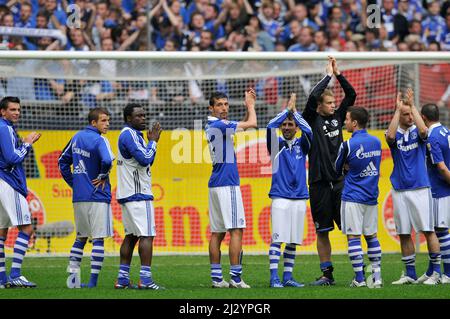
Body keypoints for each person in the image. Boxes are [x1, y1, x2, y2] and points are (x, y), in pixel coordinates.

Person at [302, 56, 357, 286]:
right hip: (318, 183)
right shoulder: (310, 119)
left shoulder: (337, 117)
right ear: (319, 106)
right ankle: (327, 274)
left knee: (351, 229)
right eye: (329, 102)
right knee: (322, 231)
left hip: (340, 182)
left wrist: (338, 74)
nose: (334, 105)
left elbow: (351, 95)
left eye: (335, 102)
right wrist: (327, 76)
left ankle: (360, 272)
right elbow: (313, 96)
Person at [386, 89, 442, 285]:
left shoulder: (419, 134)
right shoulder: (394, 132)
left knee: (428, 230)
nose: (410, 117)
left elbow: (425, 131)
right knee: (403, 233)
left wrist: (412, 105)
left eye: (412, 114)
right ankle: (410, 273)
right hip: (400, 189)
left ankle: (435, 272)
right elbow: (390, 136)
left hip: (420, 188)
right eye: (406, 115)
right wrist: (397, 110)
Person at [205, 89, 257, 289]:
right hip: (227, 183)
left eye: (226, 104)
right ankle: (236, 278)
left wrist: (245, 109)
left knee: (217, 232)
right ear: (211, 108)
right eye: (219, 105)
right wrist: (251, 105)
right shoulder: (220, 124)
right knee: (236, 229)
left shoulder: (214, 125)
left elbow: (242, 128)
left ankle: (217, 279)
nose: (224, 108)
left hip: (215, 183)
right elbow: (252, 124)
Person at [58, 107, 115, 288]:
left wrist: (74, 183)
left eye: (108, 120)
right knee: (98, 239)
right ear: (93, 123)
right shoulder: (101, 140)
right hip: (98, 196)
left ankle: (73, 281)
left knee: (80, 237)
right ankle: (92, 282)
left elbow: (62, 162)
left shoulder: (76, 137)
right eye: (104, 120)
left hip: (79, 197)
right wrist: (102, 176)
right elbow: (106, 161)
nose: (107, 124)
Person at [266, 93, 312, 288]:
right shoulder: (276, 145)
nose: (286, 127)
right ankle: (274, 277)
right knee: (278, 238)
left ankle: (288, 277)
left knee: (293, 240)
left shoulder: (303, 144)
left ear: (296, 128)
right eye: (284, 125)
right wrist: (287, 110)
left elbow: (308, 130)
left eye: (289, 124)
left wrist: (295, 112)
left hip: (300, 197)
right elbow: (270, 126)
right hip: (280, 197)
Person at [115, 103, 163, 290]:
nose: (143, 119)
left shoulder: (132, 135)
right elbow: (145, 159)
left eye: (144, 115)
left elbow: (146, 161)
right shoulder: (129, 135)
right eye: (139, 116)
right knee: (147, 235)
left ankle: (122, 279)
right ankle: (146, 280)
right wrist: (154, 142)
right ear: (128, 118)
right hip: (138, 195)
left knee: (131, 236)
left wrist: (150, 143)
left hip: (129, 194)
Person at [335, 106, 383, 288]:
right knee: (372, 236)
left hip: (353, 197)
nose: (345, 122)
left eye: (347, 119)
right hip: (371, 196)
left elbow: (336, 168)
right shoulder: (377, 142)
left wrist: (348, 167)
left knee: (354, 238)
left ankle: (360, 279)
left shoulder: (347, 144)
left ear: (354, 123)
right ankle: (377, 278)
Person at [0, 96, 41, 288]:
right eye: (13, 109)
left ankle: (2, 278)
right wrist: (27, 143)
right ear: (3, 111)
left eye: (18, 109)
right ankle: (15, 274)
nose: (17, 112)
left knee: (2, 231)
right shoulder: (5, 128)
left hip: (2, 182)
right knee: (27, 228)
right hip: (9, 183)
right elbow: (12, 158)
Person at [421, 103, 450, 284]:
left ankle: (447, 274)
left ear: (424, 118)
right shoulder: (446, 131)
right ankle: (432, 270)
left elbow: (441, 167)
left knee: (441, 231)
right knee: (435, 230)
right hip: (442, 189)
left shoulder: (432, 137)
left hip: (440, 190)